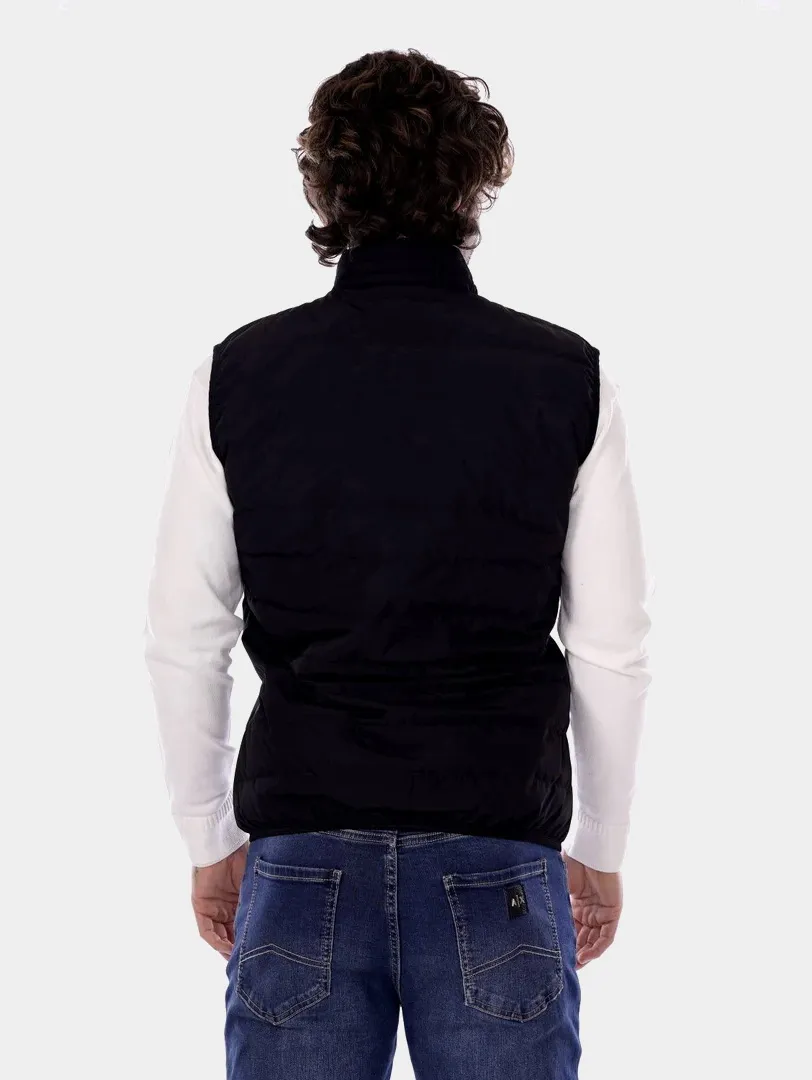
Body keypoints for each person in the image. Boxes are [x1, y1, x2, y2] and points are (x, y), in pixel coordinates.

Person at [144, 47, 652, 1080]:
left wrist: (207, 839)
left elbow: (183, 638)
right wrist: (599, 848)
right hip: (498, 857)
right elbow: (610, 646)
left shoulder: (238, 375)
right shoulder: (564, 376)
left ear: (323, 186)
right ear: (473, 187)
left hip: (300, 856)